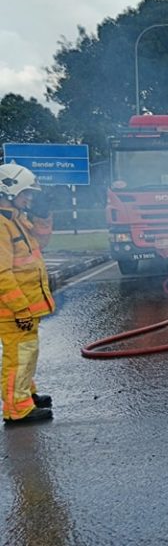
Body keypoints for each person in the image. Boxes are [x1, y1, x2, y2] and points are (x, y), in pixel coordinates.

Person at [0, 164, 55, 425]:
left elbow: (41, 244)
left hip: (26, 307)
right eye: (27, 193)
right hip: (13, 310)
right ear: (9, 190)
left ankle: (26, 394)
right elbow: (2, 274)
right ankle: (17, 409)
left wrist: (43, 215)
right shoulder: (1, 225)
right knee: (18, 357)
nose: (30, 198)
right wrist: (21, 309)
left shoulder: (17, 219)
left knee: (27, 353)